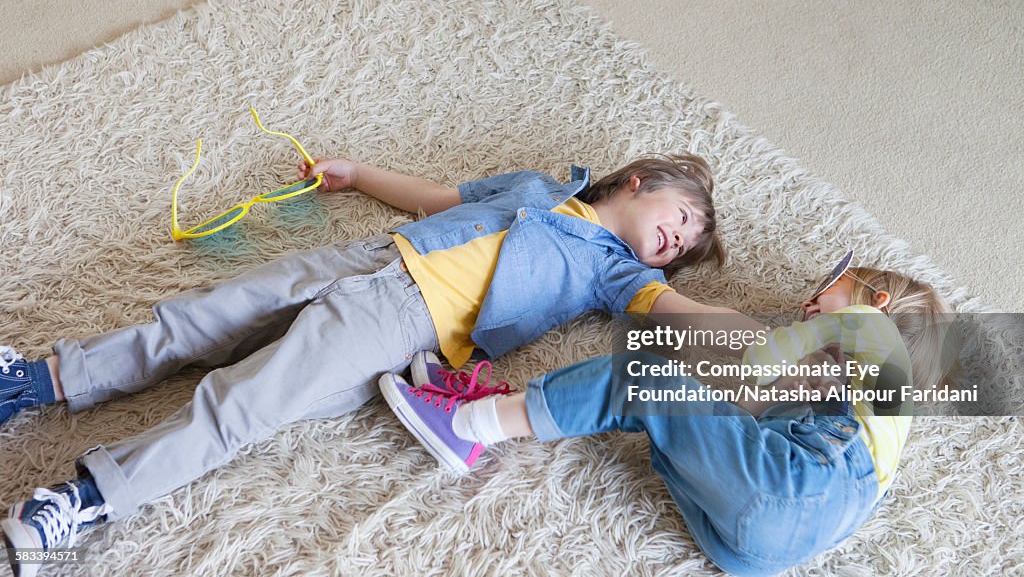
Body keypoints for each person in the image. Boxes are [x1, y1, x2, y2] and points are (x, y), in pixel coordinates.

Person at [1, 152, 764, 576]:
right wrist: (360, 176)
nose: (681, 239)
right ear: (641, 182)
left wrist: (759, 332)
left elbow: (685, 316)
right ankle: (35, 380)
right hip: (370, 258)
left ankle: (90, 498)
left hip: (403, 322)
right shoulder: (541, 186)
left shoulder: (620, 275)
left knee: (246, 399)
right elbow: (438, 198)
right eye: (685, 218)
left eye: (688, 248)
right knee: (201, 315)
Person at [380, 255, 958, 576]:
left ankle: (469, 426)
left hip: (796, 487)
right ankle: (498, 404)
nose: (810, 303)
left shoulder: (872, 326)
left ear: (874, 301)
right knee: (667, 429)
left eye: (827, 291)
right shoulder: (874, 410)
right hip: (756, 554)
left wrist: (769, 350)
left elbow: (764, 359)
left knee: (642, 378)